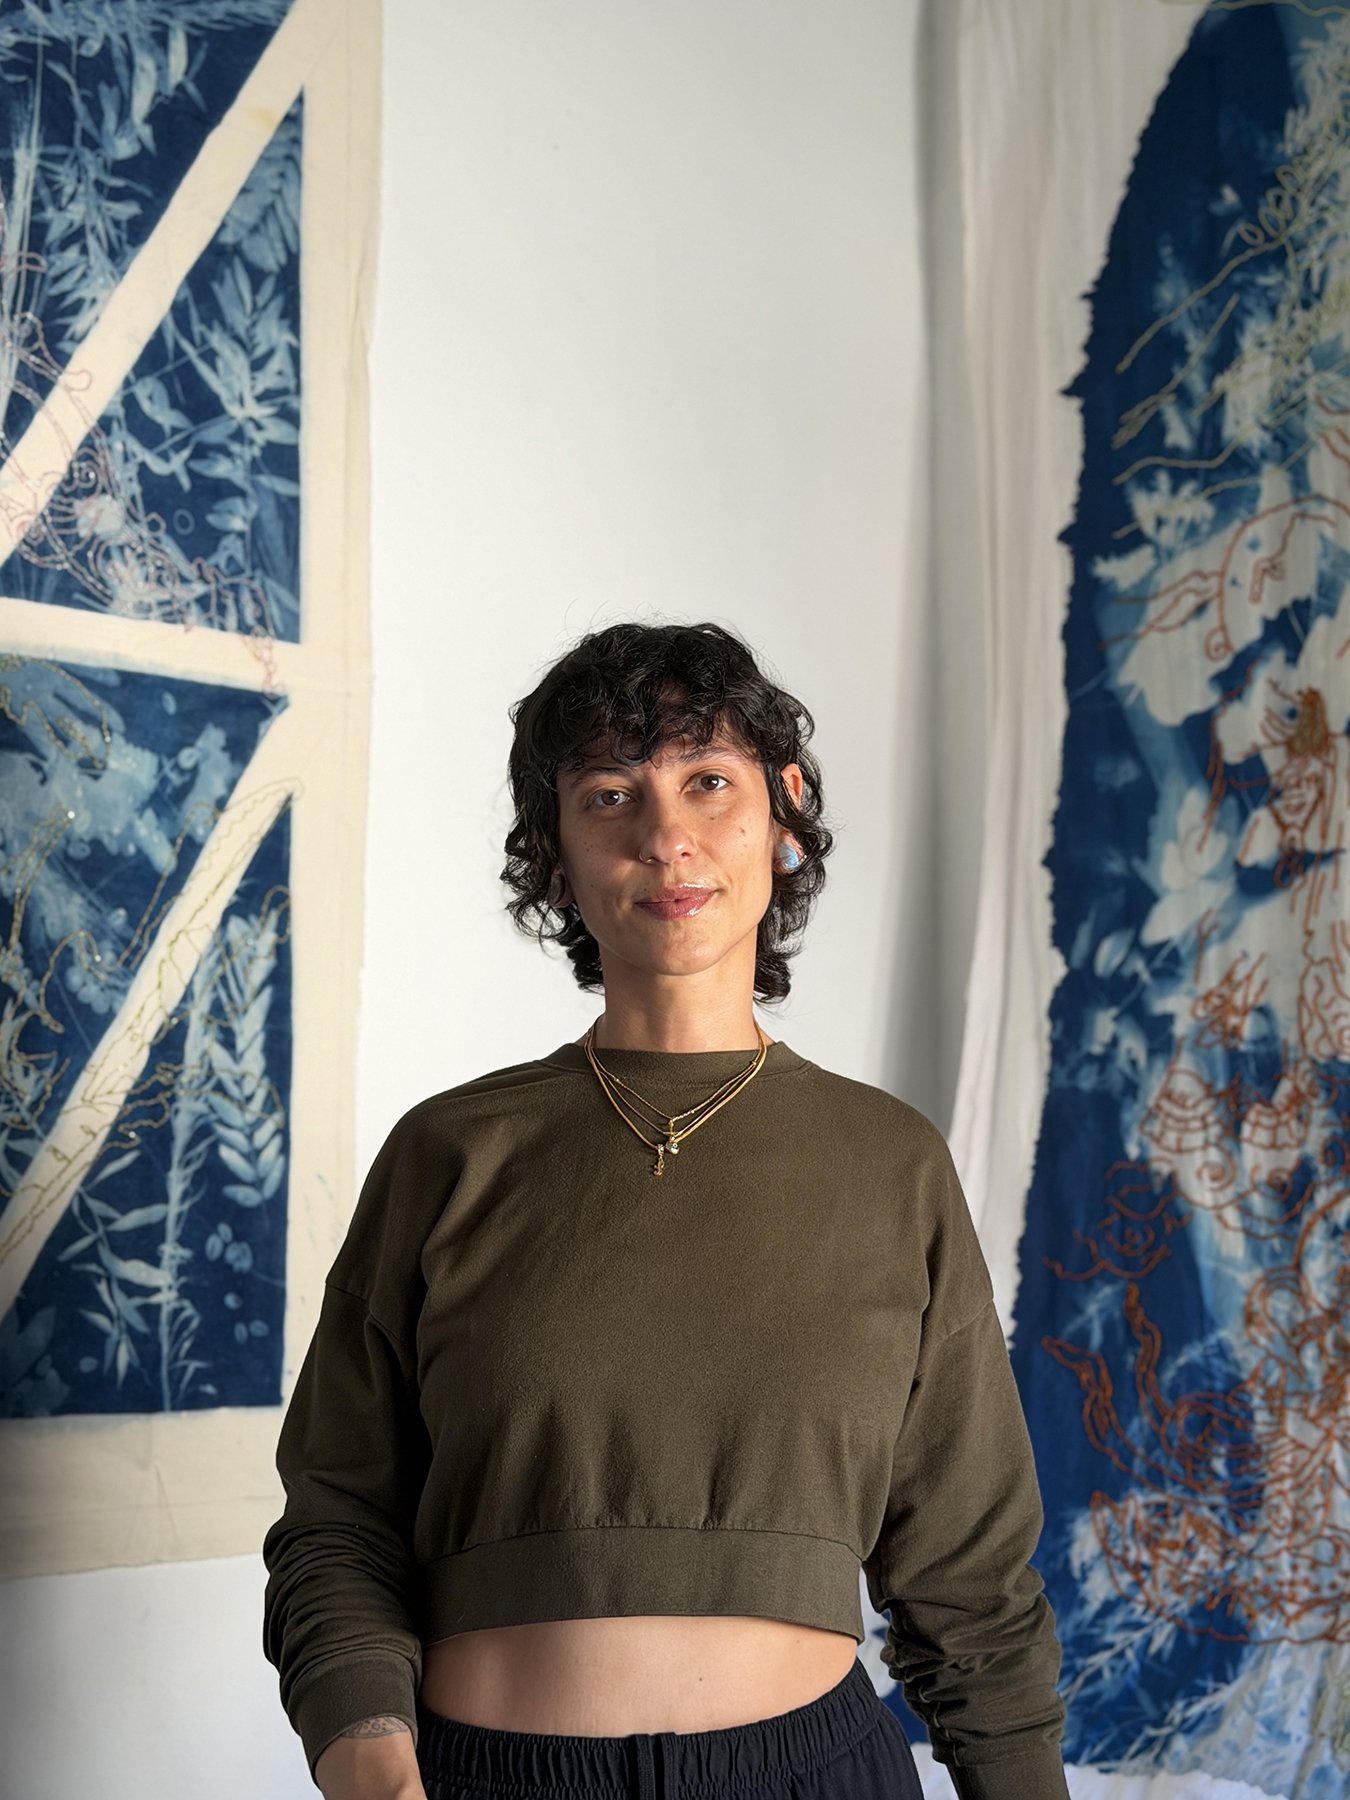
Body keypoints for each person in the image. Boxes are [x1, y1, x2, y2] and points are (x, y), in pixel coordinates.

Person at [263, 620, 1070, 1800]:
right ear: (556, 854)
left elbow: (972, 1576)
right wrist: (373, 1767)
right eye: (608, 796)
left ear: (784, 811)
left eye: (707, 781)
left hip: (813, 1775)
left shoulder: (890, 1164)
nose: (665, 837)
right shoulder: (450, 1154)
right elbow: (339, 1518)